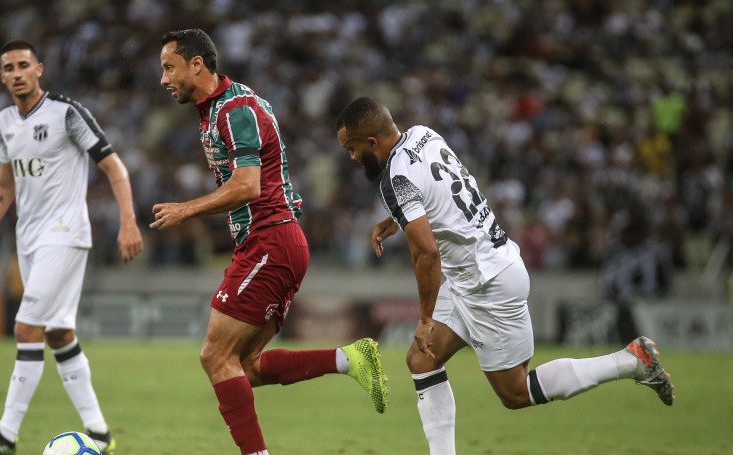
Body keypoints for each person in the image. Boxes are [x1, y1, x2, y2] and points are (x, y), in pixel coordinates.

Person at [334, 97, 675, 454]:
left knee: (516, 392)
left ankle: (631, 361)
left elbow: (427, 253)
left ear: (371, 142)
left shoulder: (394, 179)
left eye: (352, 148)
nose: (353, 157)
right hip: (478, 270)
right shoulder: (423, 135)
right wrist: (398, 218)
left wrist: (424, 318)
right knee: (421, 360)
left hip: (486, 283)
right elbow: (442, 190)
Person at [153, 29, 387, 455]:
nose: (164, 79)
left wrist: (186, 210)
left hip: (270, 240)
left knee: (214, 356)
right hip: (271, 242)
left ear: (197, 64)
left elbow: (248, 186)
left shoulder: (234, 109)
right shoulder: (220, 107)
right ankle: (349, 359)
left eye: (170, 68)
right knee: (243, 366)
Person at [0, 40, 143, 455]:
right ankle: (99, 433)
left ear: (39, 69)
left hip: (65, 233)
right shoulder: (5, 120)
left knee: (26, 328)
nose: (17, 73)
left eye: (24, 65)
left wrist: (128, 221)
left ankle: (5, 435)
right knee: (58, 333)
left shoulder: (66, 114)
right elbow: (5, 185)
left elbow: (115, 168)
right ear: (2, 76)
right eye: (9, 68)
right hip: (29, 238)